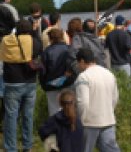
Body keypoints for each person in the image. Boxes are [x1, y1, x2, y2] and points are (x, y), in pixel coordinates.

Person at [0, 19, 43, 152]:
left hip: (12, 82)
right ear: (30, 30)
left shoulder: (7, 41)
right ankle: (27, 146)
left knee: (11, 117)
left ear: (16, 29)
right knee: (27, 116)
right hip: (29, 82)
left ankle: (11, 147)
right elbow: (40, 46)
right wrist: (35, 31)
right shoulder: (33, 41)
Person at [74, 48, 121, 152]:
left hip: (89, 122)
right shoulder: (109, 74)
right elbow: (115, 98)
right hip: (108, 120)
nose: (77, 66)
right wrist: (109, 110)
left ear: (82, 61)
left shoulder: (83, 77)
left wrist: (81, 120)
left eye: (78, 63)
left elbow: (83, 103)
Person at [40, 28, 75, 116]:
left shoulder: (46, 52)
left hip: (51, 85)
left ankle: (56, 129)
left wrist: (44, 85)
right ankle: (71, 127)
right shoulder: (69, 49)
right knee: (69, 109)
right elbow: (73, 67)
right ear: (62, 37)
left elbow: (42, 71)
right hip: (67, 82)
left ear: (50, 39)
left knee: (54, 112)